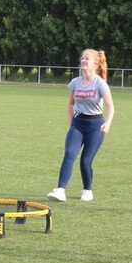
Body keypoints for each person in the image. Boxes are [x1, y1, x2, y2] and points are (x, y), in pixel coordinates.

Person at [47, 48, 114, 203]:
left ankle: (87, 190)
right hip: (78, 124)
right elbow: (71, 104)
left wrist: (108, 123)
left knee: (85, 160)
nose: (83, 61)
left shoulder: (101, 84)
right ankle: (60, 191)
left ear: (96, 64)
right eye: (82, 58)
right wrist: (72, 123)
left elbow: (110, 107)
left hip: (95, 126)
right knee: (70, 153)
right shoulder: (75, 83)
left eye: (87, 59)